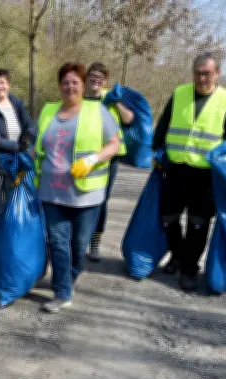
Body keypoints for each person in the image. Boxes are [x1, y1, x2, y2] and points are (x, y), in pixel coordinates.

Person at [33, 63, 121, 313]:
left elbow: (114, 145)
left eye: (75, 82)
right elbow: (38, 146)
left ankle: (69, 276)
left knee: (78, 245)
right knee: (58, 242)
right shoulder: (48, 110)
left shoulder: (98, 111)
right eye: (65, 82)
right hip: (51, 191)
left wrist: (93, 159)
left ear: (83, 86)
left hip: (87, 194)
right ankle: (62, 291)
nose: (70, 87)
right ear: (59, 86)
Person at [153, 51, 226, 292]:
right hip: (176, 170)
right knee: (168, 218)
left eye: (207, 73)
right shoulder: (180, 94)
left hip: (205, 177)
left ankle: (190, 268)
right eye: (198, 73)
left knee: (197, 224)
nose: (202, 78)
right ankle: (178, 255)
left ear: (217, 73)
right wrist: (156, 152)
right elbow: (162, 127)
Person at [84, 62, 135, 261]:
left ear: (105, 81)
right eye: (93, 76)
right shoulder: (79, 97)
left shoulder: (110, 97)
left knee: (101, 200)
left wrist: (117, 103)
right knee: (81, 197)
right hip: (83, 155)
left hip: (110, 157)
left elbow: (129, 119)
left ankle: (95, 242)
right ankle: (80, 238)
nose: (96, 80)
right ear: (87, 77)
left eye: (101, 78)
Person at [0, 68, 36, 231]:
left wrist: (28, 136)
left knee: (16, 206)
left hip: (17, 165)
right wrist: (19, 147)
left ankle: (13, 243)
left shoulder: (17, 104)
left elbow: (30, 124)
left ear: (8, 84)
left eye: (2, 82)